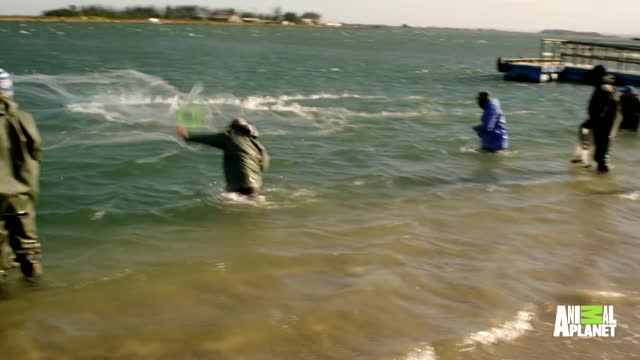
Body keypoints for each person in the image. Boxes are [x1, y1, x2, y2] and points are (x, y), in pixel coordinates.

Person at [0, 69, 43, 281]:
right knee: (29, 249)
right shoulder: (24, 119)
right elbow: (36, 151)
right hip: (22, 195)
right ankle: (36, 290)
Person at [176, 118, 269, 196]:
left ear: (232, 129)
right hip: (256, 187)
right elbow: (263, 167)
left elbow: (208, 139)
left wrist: (188, 137)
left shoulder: (229, 137)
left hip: (239, 187)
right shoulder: (259, 147)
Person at [584, 65, 619, 172]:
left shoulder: (604, 88)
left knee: (600, 155)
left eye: (592, 76)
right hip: (602, 122)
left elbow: (607, 106)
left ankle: (603, 174)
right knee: (600, 152)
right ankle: (603, 175)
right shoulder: (604, 86)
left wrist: (596, 119)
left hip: (602, 123)